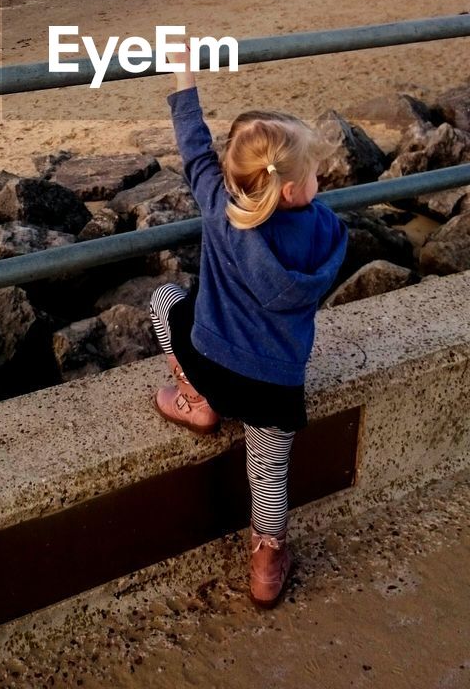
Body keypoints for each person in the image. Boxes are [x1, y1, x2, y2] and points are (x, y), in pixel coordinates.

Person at [150, 45, 347, 608]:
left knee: (165, 300)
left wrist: (183, 71)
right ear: (291, 190)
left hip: (212, 363)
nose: (319, 180)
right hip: (273, 385)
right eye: (314, 173)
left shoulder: (221, 206)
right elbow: (327, 240)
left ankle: (196, 401)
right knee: (270, 474)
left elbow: (194, 151)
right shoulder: (326, 231)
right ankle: (265, 562)